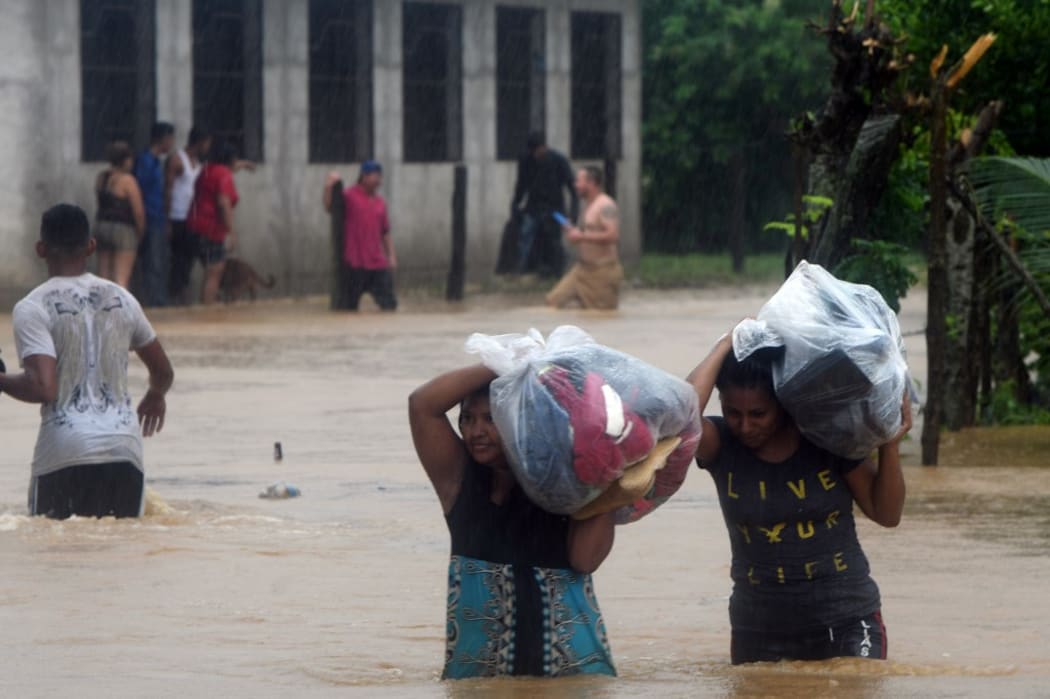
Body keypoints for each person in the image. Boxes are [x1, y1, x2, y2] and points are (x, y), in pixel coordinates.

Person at [685, 332, 911, 664]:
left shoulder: (826, 438)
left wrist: (889, 445)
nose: (745, 426)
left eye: (758, 414)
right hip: (758, 628)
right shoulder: (721, 445)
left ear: (783, 405)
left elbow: (887, 514)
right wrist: (724, 344)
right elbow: (678, 417)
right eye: (733, 413)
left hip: (847, 619)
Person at [408, 365, 617, 679]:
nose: (476, 431)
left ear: (522, 420)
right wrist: (504, 362)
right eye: (467, 418)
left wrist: (606, 481)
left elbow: (585, 560)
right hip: (477, 679)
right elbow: (422, 404)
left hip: (570, 678)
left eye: (492, 418)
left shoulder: (565, 483)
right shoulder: (459, 481)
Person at [0, 204, 174, 519]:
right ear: (91, 246)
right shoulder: (123, 298)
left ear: (41, 249)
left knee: (57, 557)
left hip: (65, 452)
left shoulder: (33, 307)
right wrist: (156, 395)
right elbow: (163, 371)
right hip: (124, 450)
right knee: (118, 557)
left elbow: (43, 386)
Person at [322, 160, 398, 311]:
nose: (378, 181)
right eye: (375, 177)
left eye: (379, 177)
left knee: (390, 306)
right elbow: (330, 207)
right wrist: (328, 187)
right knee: (348, 310)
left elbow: (385, 232)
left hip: (377, 264)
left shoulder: (380, 203)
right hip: (354, 264)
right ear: (364, 177)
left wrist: (391, 256)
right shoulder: (349, 196)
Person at [546, 167, 624, 310]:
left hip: (602, 273)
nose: (575, 185)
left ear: (591, 183)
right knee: (552, 302)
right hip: (581, 270)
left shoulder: (606, 205)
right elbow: (586, 235)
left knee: (601, 316)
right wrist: (573, 232)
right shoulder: (588, 205)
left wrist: (581, 236)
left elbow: (613, 235)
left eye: (578, 181)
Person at [510, 131, 578, 277]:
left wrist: (573, 214)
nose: (535, 155)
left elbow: (573, 188)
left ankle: (557, 270)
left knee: (556, 238)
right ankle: (521, 270)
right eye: (532, 152)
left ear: (544, 147)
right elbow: (521, 185)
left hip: (556, 209)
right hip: (534, 207)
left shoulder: (559, 161)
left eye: (537, 151)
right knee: (525, 235)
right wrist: (515, 205)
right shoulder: (525, 160)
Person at [187, 138, 240, 305]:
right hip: (212, 229)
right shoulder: (223, 174)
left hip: (194, 226)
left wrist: (244, 165)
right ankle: (208, 309)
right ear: (230, 159)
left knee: (208, 270)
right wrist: (231, 232)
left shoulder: (207, 171)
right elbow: (223, 202)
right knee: (214, 272)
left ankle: (206, 305)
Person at [165, 126, 212, 305]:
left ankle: (183, 297)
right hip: (178, 217)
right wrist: (168, 220)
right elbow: (168, 190)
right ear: (200, 142)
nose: (208, 148)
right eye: (207, 143)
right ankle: (175, 298)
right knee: (179, 261)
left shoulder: (199, 163)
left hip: (193, 218)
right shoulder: (178, 159)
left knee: (188, 260)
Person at [133, 121, 176, 307]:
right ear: (163, 139)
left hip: (158, 217)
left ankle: (158, 299)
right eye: (171, 139)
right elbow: (140, 191)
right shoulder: (146, 161)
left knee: (159, 260)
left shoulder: (157, 162)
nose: (172, 144)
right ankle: (156, 302)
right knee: (153, 262)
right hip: (149, 218)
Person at [93, 141, 145, 289]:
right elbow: (138, 212)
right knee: (121, 277)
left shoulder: (101, 178)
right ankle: (120, 310)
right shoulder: (128, 181)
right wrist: (140, 233)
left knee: (103, 275)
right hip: (123, 229)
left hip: (101, 225)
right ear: (126, 160)